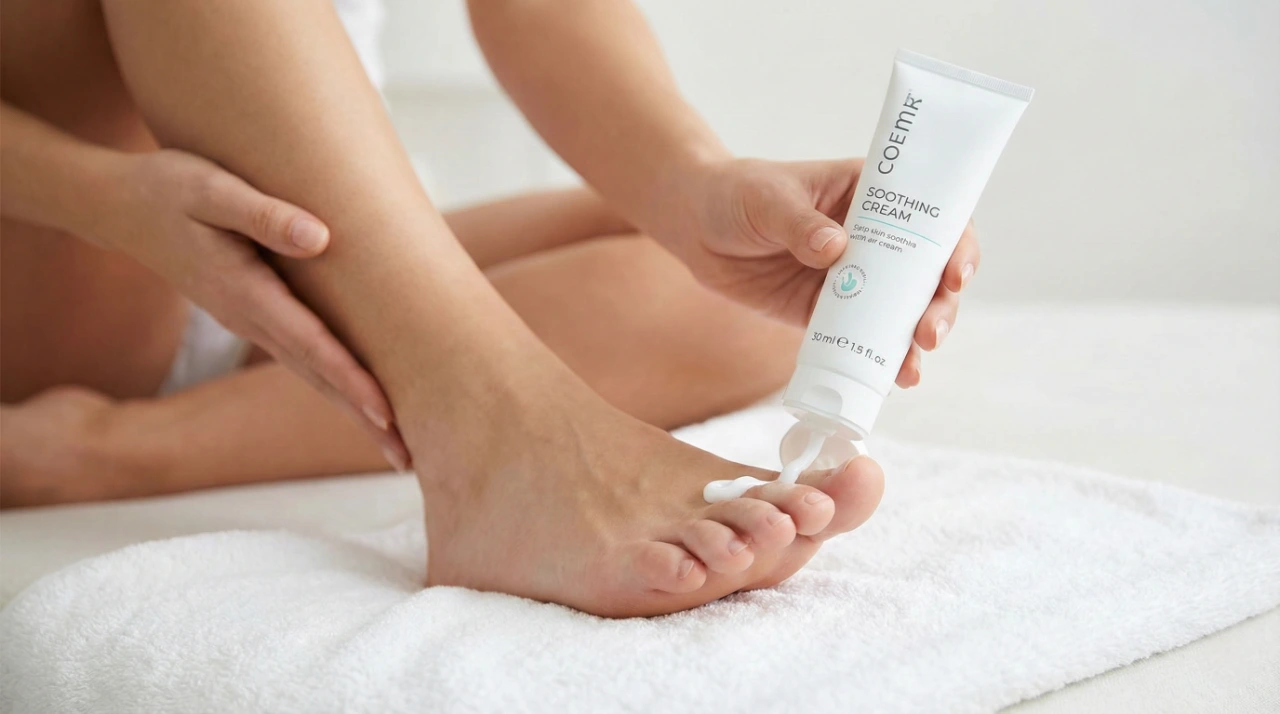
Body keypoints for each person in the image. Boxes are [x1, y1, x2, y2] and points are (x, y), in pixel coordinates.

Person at [0, 0, 978, 617]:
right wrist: (102, 198)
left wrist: (691, 187)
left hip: (274, 228)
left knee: (746, 295)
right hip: (75, 248)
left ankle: (108, 441)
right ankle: (498, 436)